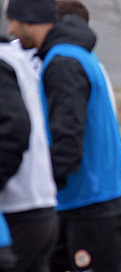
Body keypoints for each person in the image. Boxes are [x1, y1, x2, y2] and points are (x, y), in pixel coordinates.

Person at [5, 0, 121, 271]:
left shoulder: (62, 62)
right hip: (96, 198)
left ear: (30, 18)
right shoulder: (74, 53)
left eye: (13, 20)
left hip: (91, 202)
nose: (11, 30)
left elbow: (67, 139)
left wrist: (43, 191)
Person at [0, 36, 58, 271]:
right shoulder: (18, 57)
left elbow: (15, 128)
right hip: (42, 202)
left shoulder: (9, 59)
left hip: (20, 207)